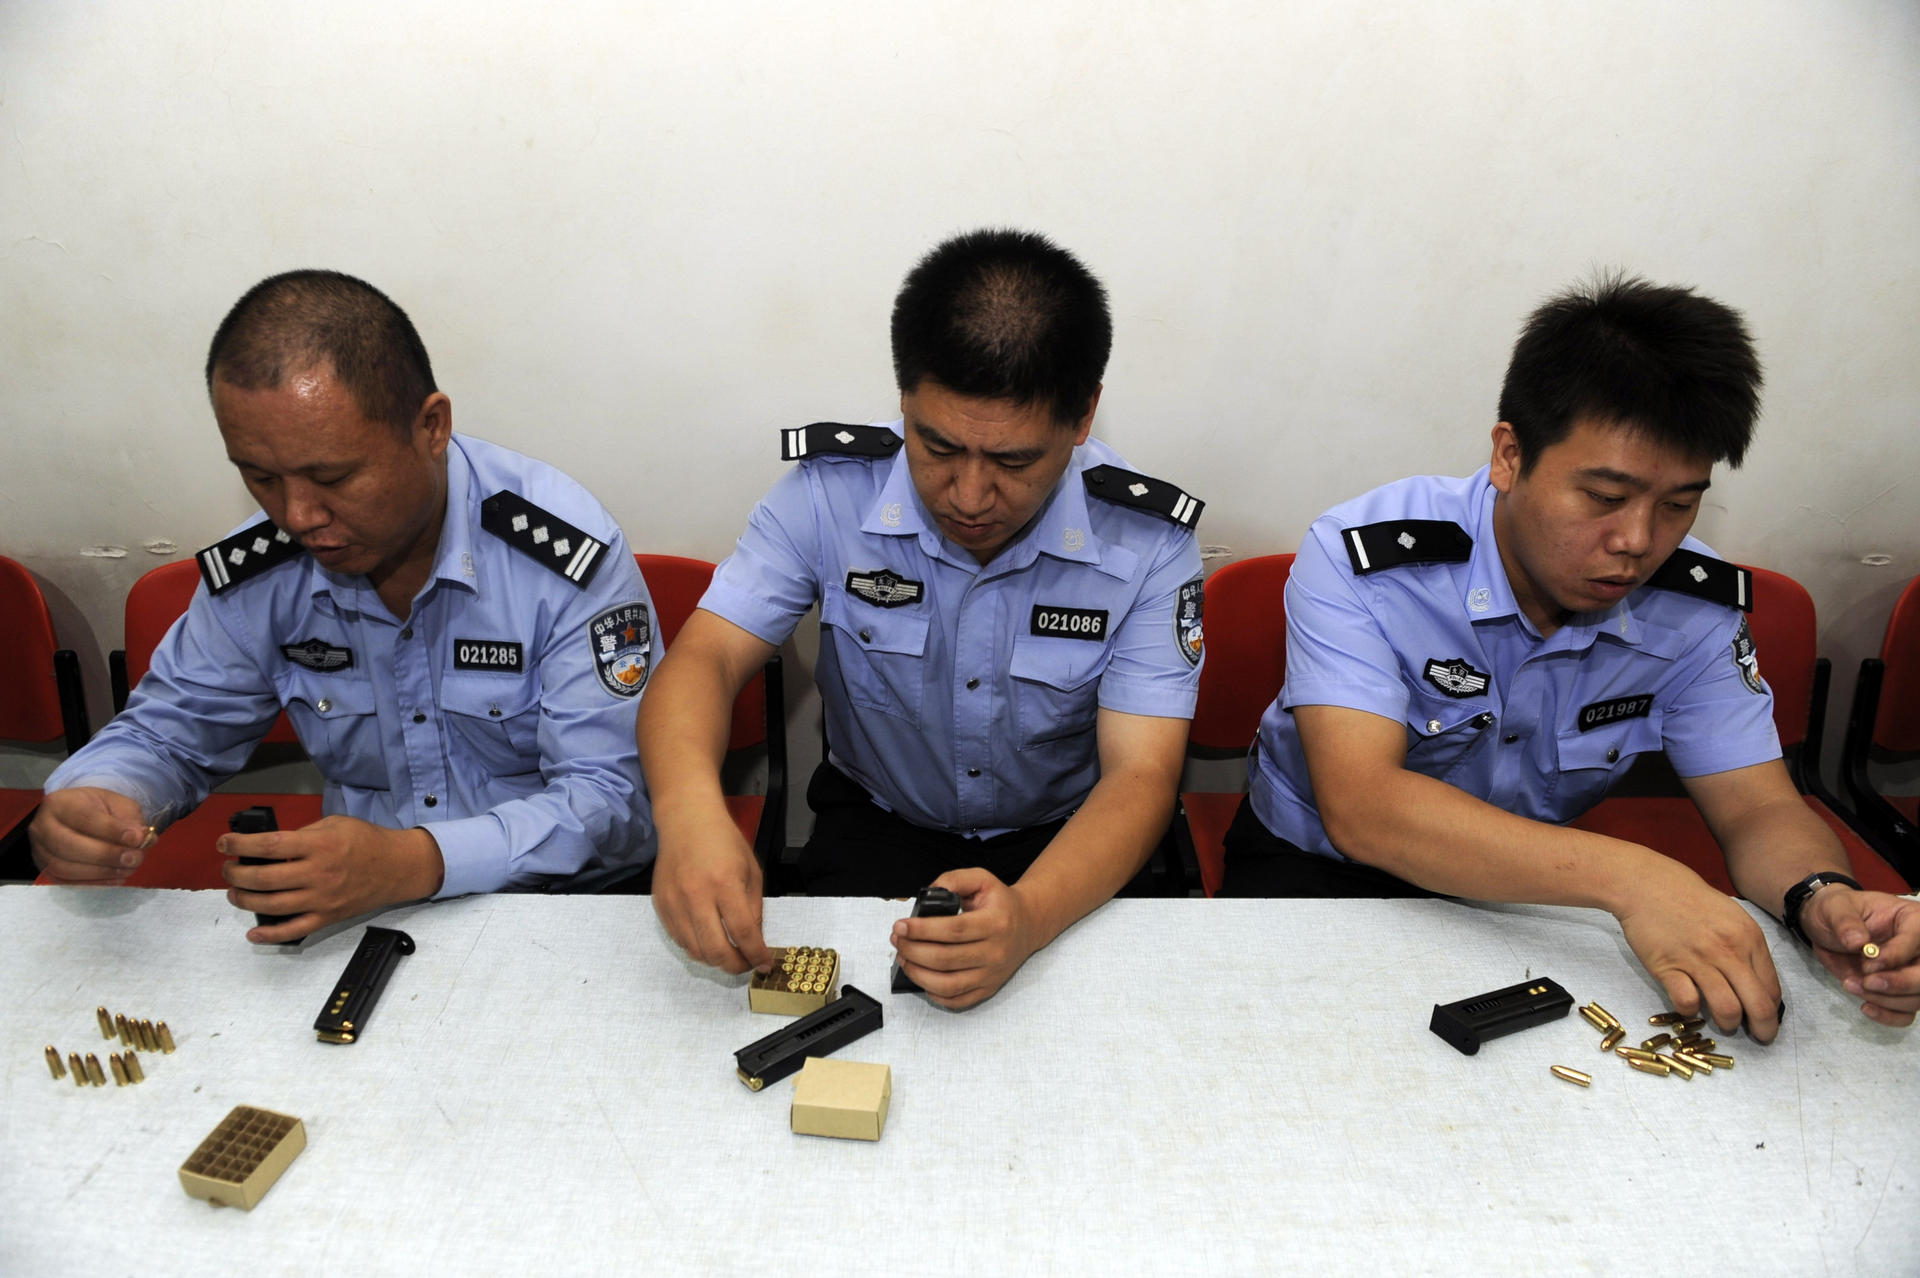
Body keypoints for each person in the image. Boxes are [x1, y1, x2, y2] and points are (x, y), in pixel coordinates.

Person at [1222, 273, 1918, 1036]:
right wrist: (1631, 877)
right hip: (1320, 870)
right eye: (1604, 497)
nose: (1638, 542)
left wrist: (1821, 896)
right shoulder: (1369, 562)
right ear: (1510, 455)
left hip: (1532, 890)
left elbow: (1757, 806)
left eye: (1679, 504)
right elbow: (1366, 809)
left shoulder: (1696, 609)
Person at [641, 229, 1205, 1009]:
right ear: (903, 397)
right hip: (876, 830)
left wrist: (1032, 915)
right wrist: (689, 814)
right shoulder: (829, 492)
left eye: (1013, 462)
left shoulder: (1146, 539)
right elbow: (704, 659)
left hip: (1067, 842)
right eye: (935, 446)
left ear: (1082, 418)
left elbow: (1142, 775)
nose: (968, 497)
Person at [31, 270, 658, 939]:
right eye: (261, 477)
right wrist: (101, 796)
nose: (298, 515)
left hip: (562, 912)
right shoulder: (262, 569)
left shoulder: (557, 556)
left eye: (333, 477)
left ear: (432, 427)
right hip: (360, 912)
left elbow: (609, 804)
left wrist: (416, 861)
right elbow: (169, 734)